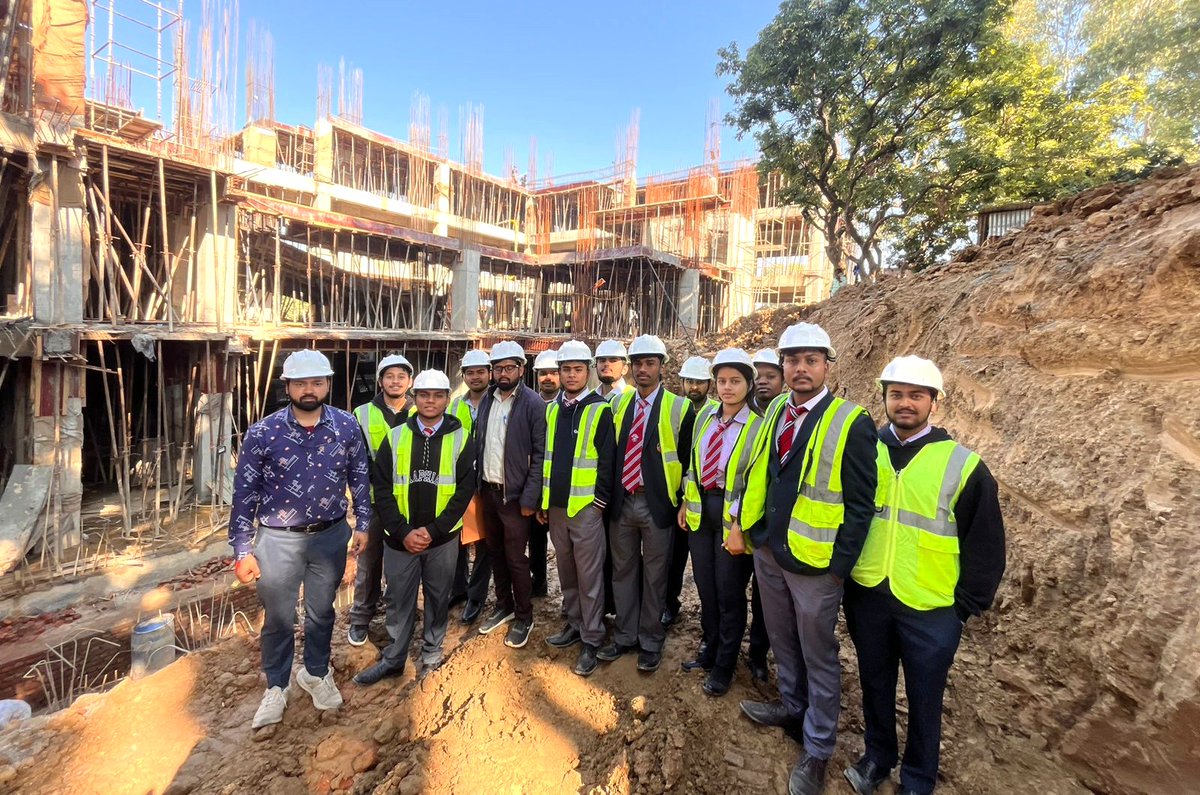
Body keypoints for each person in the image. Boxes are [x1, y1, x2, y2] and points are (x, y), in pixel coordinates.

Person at [842, 356, 1005, 795]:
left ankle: (918, 778)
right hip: (869, 592)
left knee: (924, 697)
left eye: (916, 395)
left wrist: (962, 609)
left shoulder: (963, 465)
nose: (906, 403)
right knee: (874, 683)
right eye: (897, 395)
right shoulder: (863, 451)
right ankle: (877, 757)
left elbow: (986, 545)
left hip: (932, 606)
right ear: (884, 399)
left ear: (934, 402)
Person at [737, 323, 878, 795]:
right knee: (782, 639)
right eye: (792, 361)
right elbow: (759, 472)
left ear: (826, 366)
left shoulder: (851, 422)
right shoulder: (776, 409)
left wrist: (838, 569)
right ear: (782, 366)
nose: (800, 369)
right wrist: (752, 532)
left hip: (817, 565)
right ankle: (791, 707)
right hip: (771, 551)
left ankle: (817, 749)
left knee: (819, 655)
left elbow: (861, 506)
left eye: (810, 360)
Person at [231, 350, 371, 729]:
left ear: (327, 384)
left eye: (316, 382)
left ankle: (315, 672)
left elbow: (359, 476)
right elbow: (244, 493)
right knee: (278, 618)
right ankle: (276, 686)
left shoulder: (346, 425)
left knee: (322, 612)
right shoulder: (263, 432)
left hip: (329, 536)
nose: (309, 390)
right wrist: (243, 549)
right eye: (301, 383)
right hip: (277, 540)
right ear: (288, 387)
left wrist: (363, 523)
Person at [354, 370, 476, 685]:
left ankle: (432, 654)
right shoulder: (395, 437)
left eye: (437, 395)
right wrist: (403, 531)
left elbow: (463, 492)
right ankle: (394, 658)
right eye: (424, 395)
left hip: (442, 540)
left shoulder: (462, 437)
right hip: (399, 540)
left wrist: (433, 531)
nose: (430, 401)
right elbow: (381, 489)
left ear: (447, 399)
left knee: (438, 597)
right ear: (414, 397)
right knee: (398, 599)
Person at [599, 334, 694, 673]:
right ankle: (625, 636)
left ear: (661, 367)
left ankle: (651, 641)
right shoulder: (618, 405)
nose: (642, 369)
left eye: (649, 363)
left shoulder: (681, 408)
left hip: (658, 505)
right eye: (637, 363)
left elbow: (687, 462)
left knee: (656, 576)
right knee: (622, 573)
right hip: (623, 503)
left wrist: (682, 502)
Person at [677, 349, 765, 697]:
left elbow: (756, 482)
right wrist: (686, 501)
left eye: (735, 381)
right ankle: (709, 648)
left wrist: (740, 526)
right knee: (706, 588)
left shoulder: (758, 427)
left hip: (733, 520)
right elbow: (692, 467)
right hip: (702, 515)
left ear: (749, 384)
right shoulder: (705, 418)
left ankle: (726, 664)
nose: (727, 388)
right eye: (723, 381)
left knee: (730, 593)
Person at [539, 341, 615, 677]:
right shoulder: (554, 409)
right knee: (566, 571)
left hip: (585, 508)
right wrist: (544, 501)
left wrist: (599, 502)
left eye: (577, 369)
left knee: (589, 575)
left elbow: (608, 460)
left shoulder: (600, 409)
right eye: (565, 369)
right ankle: (573, 622)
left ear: (589, 371)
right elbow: (548, 459)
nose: (571, 375)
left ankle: (592, 636)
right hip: (557, 507)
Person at [475, 341, 547, 649]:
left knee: (517, 558)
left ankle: (524, 616)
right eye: (498, 369)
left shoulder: (532, 404)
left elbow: (541, 454)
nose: (503, 374)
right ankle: (503, 606)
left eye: (509, 368)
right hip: (489, 492)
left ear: (521, 368)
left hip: (515, 497)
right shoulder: (489, 401)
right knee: (495, 553)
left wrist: (530, 499)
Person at [347, 354, 414, 646]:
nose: (395, 381)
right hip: (374, 503)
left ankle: (398, 618)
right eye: (390, 376)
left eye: (401, 376)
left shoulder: (420, 411)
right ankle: (361, 618)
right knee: (369, 563)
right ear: (380, 381)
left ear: (409, 381)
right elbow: (355, 462)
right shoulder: (361, 414)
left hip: (409, 503)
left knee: (401, 566)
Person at [662, 355, 718, 629]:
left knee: (700, 563)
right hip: (675, 494)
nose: (694, 387)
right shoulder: (674, 408)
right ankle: (669, 604)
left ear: (709, 384)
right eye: (689, 381)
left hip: (702, 497)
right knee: (671, 557)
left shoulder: (718, 412)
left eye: (699, 382)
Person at [746, 347, 785, 682]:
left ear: (783, 379)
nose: (762, 382)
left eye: (770, 376)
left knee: (764, 598)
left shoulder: (785, 417)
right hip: (734, 522)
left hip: (765, 526)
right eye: (757, 376)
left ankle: (758, 653)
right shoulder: (735, 411)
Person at [449, 349, 492, 624]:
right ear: (463, 376)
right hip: (458, 484)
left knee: (485, 541)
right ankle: (458, 590)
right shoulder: (454, 406)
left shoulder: (499, 402)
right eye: (470, 372)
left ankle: (476, 596)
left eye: (480, 372)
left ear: (489, 373)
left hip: (488, 482)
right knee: (456, 539)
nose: (475, 377)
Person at [529, 347, 560, 598]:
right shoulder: (530, 404)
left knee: (564, 545)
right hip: (534, 484)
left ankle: (567, 594)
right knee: (536, 540)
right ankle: (538, 583)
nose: (548, 377)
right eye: (543, 373)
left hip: (560, 487)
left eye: (553, 372)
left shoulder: (568, 405)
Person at [594, 339, 631, 404]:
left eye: (613, 360)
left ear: (624, 369)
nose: (606, 364)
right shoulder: (591, 397)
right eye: (602, 360)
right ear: (596, 366)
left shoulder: (633, 397)